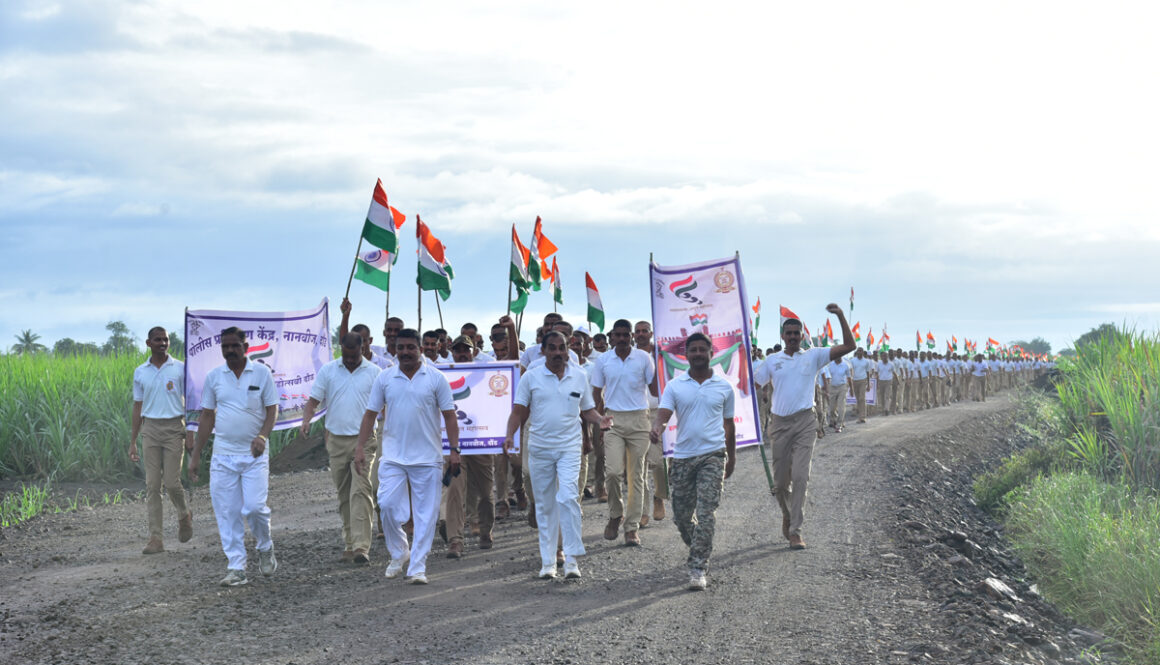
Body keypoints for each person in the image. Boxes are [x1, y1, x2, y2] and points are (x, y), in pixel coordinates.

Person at [355, 329, 459, 585]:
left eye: (410, 347)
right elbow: (370, 414)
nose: (404, 352)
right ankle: (400, 551)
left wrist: (454, 451)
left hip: (428, 458)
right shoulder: (385, 378)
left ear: (420, 349)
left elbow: (449, 416)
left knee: (426, 516)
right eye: (400, 348)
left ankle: (418, 567)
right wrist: (360, 448)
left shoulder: (436, 378)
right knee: (387, 505)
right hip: (393, 456)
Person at [504, 331, 611, 579]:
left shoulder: (579, 375)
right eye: (552, 348)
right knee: (545, 506)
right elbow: (518, 412)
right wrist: (509, 435)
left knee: (569, 497)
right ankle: (548, 562)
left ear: (567, 350)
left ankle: (572, 561)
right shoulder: (531, 377)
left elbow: (587, 411)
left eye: (561, 348)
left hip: (569, 447)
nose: (557, 353)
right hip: (540, 448)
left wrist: (600, 420)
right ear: (543, 351)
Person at [753, 304, 854, 550]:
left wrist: (841, 315)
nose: (792, 337)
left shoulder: (813, 355)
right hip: (779, 425)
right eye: (788, 334)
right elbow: (753, 385)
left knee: (800, 477)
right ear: (782, 336)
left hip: (805, 422)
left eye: (796, 334)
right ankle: (787, 514)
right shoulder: (772, 361)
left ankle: (796, 530)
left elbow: (850, 346)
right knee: (780, 483)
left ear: (802, 336)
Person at [188, 327, 280, 587]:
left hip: (254, 455)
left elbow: (272, 410)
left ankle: (265, 546)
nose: (229, 351)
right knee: (227, 512)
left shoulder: (261, 373)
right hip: (223, 456)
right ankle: (236, 567)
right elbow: (207, 416)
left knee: (253, 508)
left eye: (234, 346)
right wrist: (196, 456)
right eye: (225, 346)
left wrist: (262, 437)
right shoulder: (214, 377)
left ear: (245, 346)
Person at [649, 333, 736, 590]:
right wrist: (657, 428)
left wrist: (730, 459)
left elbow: (729, 426)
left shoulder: (724, 387)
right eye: (693, 350)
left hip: (713, 455)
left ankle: (698, 566)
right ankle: (701, 544)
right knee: (682, 517)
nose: (698, 354)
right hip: (683, 457)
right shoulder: (675, 386)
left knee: (707, 513)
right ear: (685, 355)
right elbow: (663, 414)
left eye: (702, 349)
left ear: (712, 353)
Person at [300, 332, 381, 564]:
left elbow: (385, 406)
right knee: (344, 494)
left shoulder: (375, 373)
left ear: (363, 349)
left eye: (354, 356)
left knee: (361, 491)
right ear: (341, 350)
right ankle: (349, 542)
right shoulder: (328, 370)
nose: (349, 360)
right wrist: (306, 420)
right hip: (335, 440)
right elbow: (313, 401)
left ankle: (361, 547)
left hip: (364, 441)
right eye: (345, 355)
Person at [590, 319, 657, 546]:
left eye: (625, 335)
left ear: (631, 337)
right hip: (613, 419)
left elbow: (655, 389)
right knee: (613, 472)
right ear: (611, 337)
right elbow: (597, 393)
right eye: (617, 335)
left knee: (636, 476)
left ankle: (631, 527)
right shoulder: (603, 360)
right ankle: (615, 514)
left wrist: (661, 364)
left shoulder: (644, 358)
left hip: (639, 419)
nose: (621, 338)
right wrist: (599, 421)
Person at [129, 326, 194, 555]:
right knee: (152, 485)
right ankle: (155, 538)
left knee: (172, 483)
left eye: (165, 339)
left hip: (175, 427)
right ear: (148, 343)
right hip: (151, 429)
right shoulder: (141, 372)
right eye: (157, 340)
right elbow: (138, 406)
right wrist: (133, 439)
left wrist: (191, 432)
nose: (162, 343)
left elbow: (192, 401)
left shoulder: (180, 369)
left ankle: (184, 514)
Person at [442, 334, 498, 556]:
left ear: (474, 352)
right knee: (455, 490)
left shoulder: (484, 374)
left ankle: (485, 530)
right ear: (452, 352)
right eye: (458, 350)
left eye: (466, 349)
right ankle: (455, 540)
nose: (462, 353)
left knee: (485, 492)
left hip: (481, 442)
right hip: (453, 444)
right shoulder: (442, 375)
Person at [634, 320, 667, 526]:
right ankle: (643, 510)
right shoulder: (629, 355)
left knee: (659, 462)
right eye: (637, 331)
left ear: (651, 333)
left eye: (644, 330)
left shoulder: (662, 355)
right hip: (636, 413)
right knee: (639, 463)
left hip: (658, 411)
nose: (640, 334)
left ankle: (659, 496)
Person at [826, 356, 852, 432]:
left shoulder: (845, 365)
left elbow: (849, 377)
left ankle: (839, 425)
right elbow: (827, 377)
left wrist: (851, 389)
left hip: (842, 387)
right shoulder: (830, 365)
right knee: (832, 407)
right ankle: (833, 420)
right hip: (832, 387)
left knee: (841, 406)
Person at [847, 348, 872, 423]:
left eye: (861, 351)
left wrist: (868, 384)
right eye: (858, 351)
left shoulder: (866, 361)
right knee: (858, 399)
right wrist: (850, 381)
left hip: (863, 380)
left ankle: (862, 417)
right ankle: (860, 415)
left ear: (863, 352)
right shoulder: (852, 361)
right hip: (855, 380)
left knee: (862, 398)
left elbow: (868, 373)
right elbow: (850, 371)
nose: (860, 352)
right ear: (857, 352)